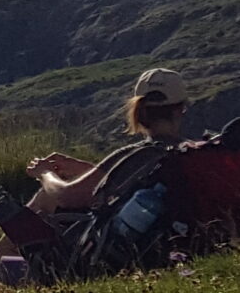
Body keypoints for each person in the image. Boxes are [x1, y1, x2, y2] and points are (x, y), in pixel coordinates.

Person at [24, 67, 191, 214]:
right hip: (191, 237)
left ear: (137, 109)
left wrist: (45, 173)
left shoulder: (140, 154)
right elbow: (130, 181)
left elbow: (68, 197)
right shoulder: (193, 152)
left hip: (139, 244)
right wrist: (86, 170)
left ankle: (4, 251)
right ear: (181, 109)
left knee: (46, 196)